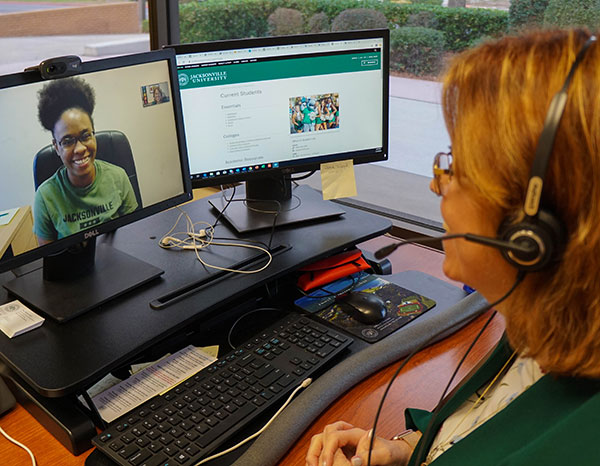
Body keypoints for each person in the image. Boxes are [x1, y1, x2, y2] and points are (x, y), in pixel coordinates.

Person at [306, 28, 600, 466]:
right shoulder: (550, 321)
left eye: (456, 167)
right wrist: (405, 449)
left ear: (531, 233)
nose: (436, 183)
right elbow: (489, 416)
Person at [34, 77, 138, 244]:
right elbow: (49, 259)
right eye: (67, 141)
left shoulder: (119, 177)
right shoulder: (45, 197)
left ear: (94, 133)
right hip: (72, 268)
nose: (80, 148)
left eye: (85, 136)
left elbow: (136, 236)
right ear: (56, 146)